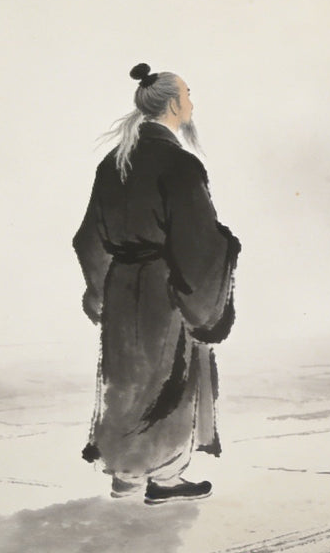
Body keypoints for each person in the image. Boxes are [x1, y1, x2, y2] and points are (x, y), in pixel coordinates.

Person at [73, 63, 240, 504]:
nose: (192, 101)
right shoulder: (180, 164)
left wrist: (100, 290)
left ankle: (125, 476)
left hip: (122, 284)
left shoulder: (114, 162)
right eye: (187, 93)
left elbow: (88, 237)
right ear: (172, 104)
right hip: (165, 288)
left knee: (126, 380)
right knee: (168, 381)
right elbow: (197, 239)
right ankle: (164, 479)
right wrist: (227, 248)